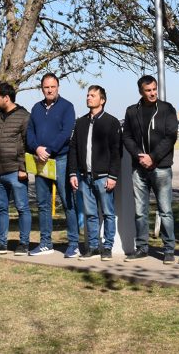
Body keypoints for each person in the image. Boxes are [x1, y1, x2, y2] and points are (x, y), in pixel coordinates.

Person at [121, 74, 179, 263]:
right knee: (140, 211)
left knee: (165, 210)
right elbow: (127, 137)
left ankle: (169, 249)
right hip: (139, 168)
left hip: (160, 167)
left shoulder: (167, 109)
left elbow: (170, 136)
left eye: (154, 89)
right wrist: (140, 156)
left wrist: (153, 157)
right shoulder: (131, 111)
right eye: (148, 90)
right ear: (141, 91)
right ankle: (142, 247)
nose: (152, 93)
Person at [26, 72, 79, 257]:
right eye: (46, 87)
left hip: (60, 159)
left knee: (68, 203)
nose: (49, 90)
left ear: (58, 87)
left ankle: (74, 243)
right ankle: (45, 243)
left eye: (53, 87)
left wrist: (49, 149)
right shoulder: (36, 108)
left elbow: (66, 132)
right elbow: (30, 132)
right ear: (42, 88)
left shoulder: (67, 107)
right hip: (40, 161)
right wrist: (37, 148)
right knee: (43, 204)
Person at [68, 85, 122, 260]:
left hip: (104, 177)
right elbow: (74, 149)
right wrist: (72, 173)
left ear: (102, 100)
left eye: (93, 95)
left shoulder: (111, 122)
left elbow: (116, 152)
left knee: (107, 212)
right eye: (87, 95)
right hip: (84, 177)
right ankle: (92, 246)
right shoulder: (81, 122)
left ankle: (107, 246)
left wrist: (113, 175)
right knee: (90, 214)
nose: (88, 98)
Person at [0, 83, 32, 256]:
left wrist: (23, 167)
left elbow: (28, 144)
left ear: (6, 97)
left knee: (22, 208)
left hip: (15, 171)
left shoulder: (24, 117)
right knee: (0, 208)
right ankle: (1, 243)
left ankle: (23, 243)